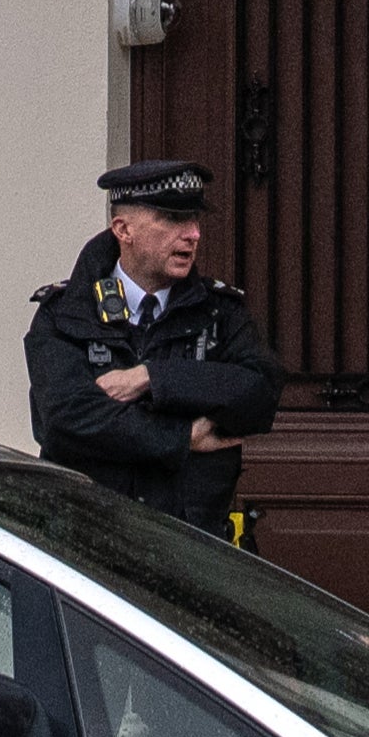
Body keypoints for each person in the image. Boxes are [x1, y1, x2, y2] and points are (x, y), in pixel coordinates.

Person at [28, 154, 278, 534]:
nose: (193, 234)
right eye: (173, 219)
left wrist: (153, 378)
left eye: (194, 220)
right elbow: (65, 420)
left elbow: (258, 393)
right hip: (84, 545)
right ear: (123, 229)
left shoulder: (220, 313)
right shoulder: (66, 312)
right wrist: (180, 437)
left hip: (190, 548)